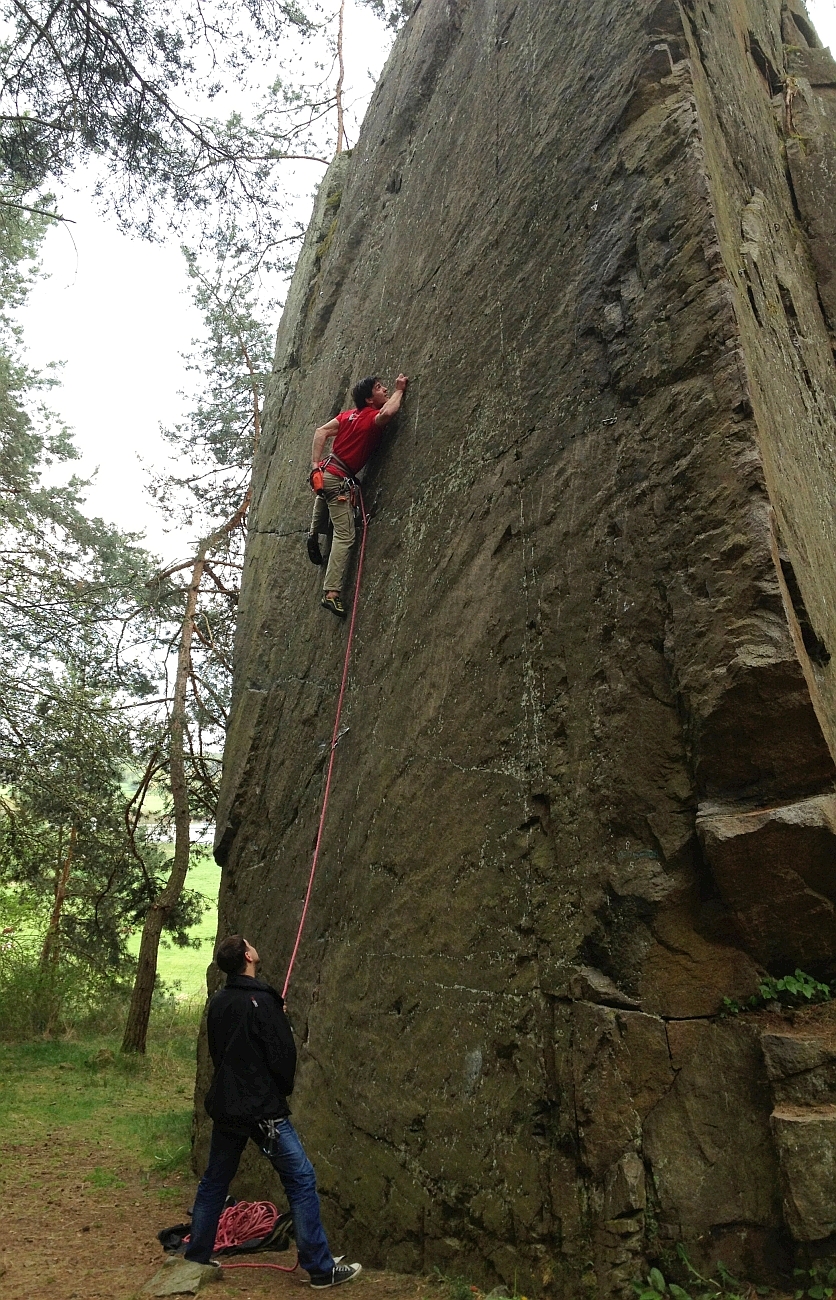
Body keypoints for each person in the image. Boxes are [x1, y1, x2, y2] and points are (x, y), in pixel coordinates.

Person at [185, 935, 361, 1288]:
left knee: (214, 1181)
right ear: (248, 956)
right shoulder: (263, 1002)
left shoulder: (219, 1002)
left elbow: (223, 1054)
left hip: (228, 1107)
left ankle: (196, 1258)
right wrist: (278, 1089)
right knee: (301, 1180)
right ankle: (320, 1269)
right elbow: (283, 1058)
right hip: (263, 1111)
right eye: (251, 945)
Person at [308, 373, 408, 617]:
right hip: (339, 478)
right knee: (345, 536)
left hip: (327, 471)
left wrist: (314, 465)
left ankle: (314, 532)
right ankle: (331, 594)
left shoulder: (347, 416)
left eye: (384, 387)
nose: (383, 389)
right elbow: (389, 413)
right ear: (369, 398)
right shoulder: (370, 417)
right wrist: (399, 390)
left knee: (326, 492)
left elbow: (320, 431)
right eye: (378, 388)